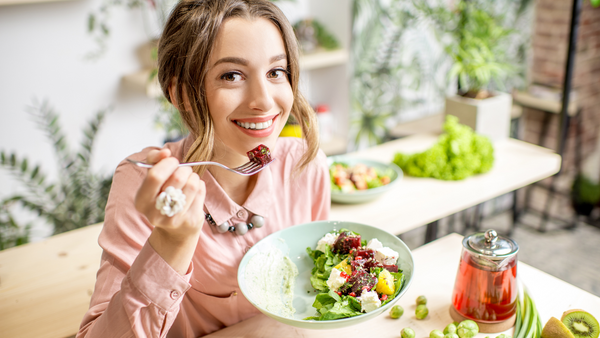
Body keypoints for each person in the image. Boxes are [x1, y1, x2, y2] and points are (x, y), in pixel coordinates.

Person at [76, 0, 330, 337]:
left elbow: (316, 286)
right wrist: (172, 242)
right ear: (181, 93)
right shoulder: (144, 183)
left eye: (275, 72)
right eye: (232, 75)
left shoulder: (304, 164)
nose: (265, 101)